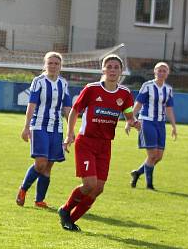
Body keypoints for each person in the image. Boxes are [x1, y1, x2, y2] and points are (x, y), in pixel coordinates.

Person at [58, 55, 137, 231]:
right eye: (109, 67)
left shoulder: (125, 94)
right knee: (89, 184)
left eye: (116, 67)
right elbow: (75, 111)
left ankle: (71, 219)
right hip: (86, 141)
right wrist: (70, 134)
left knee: (98, 188)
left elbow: (129, 114)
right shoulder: (91, 89)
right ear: (103, 69)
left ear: (121, 71)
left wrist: (134, 123)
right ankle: (65, 209)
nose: (112, 70)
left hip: (105, 145)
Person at [16, 51, 72, 209]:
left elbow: (68, 107)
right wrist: (26, 127)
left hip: (57, 128)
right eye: (50, 63)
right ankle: (23, 189)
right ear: (45, 65)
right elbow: (32, 104)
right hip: (39, 125)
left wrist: (71, 130)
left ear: (61, 66)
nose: (53, 66)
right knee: (40, 163)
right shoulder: (38, 81)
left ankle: (39, 200)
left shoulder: (63, 83)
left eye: (56, 63)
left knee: (49, 166)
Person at [127, 62, 177, 190]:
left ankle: (137, 173)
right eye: (159, 70)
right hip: (147, 121)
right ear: (155, 72)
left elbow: (169, 108)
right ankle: (149, 185)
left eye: (164, 71)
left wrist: (173, 126)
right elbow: (138, 104)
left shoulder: (168, 89)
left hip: (160, 123)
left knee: (159, 156)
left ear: (168, 73)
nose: (161, 73)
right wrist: (130, 120)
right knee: (152, 154)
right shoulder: (147, 86)